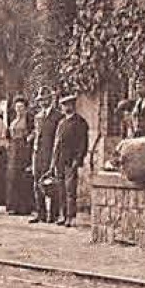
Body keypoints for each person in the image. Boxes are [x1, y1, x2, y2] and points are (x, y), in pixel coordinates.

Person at [53, 93, 91, 227]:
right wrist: (54, 161)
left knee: (70, 190)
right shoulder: (61, 123)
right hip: (60, 160)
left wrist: (78, 159)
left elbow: (83, 143)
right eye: (63, 105)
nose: (65, 107)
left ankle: (71, 216)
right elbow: (56, 144)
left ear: (73, 105)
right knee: (61, 189)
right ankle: (62, 215)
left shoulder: (80, 122)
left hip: (71, 160)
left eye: (68, 104)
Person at [29, 92, 61, 224]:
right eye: (41, 100)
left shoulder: (58, 116)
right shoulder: (38, 116)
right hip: (38, 153)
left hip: (50, 153)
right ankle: (40, 213)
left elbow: (58, 138)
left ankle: (53, 214)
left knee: (51, 183)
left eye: (45, 99)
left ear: (51, 100)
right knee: (37, 183)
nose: (43, 102)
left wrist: (55, 156)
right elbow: (37, 133)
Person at [5, 96, 35, 217]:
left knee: (23, 176)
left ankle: (25, 207)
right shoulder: (13, 119)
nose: (19, 109)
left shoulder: (29, 119)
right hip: (13, 149)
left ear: (26, 108)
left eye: (21, 107)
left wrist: (28, 139)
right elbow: (8, 134)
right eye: (17, 107)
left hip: (24, 148)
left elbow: (35, 131)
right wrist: (8, 144)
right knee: (13, 176)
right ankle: (13, 206)